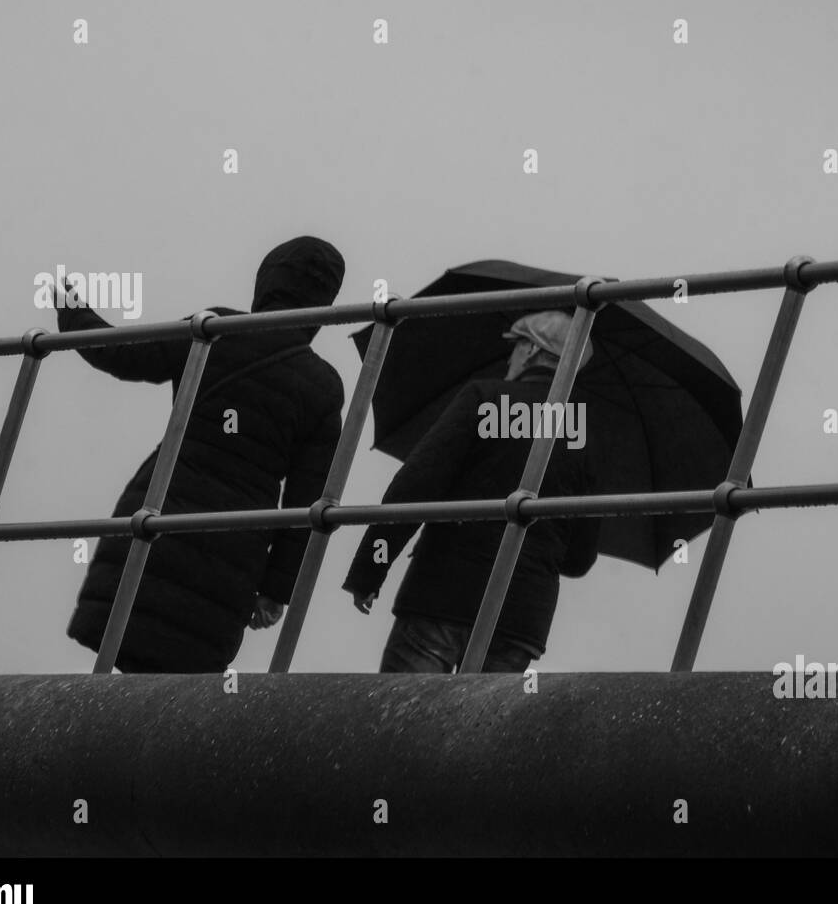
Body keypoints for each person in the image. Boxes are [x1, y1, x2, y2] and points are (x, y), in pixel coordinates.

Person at [56, 236, 346, 672]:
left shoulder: (214, 331)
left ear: (267, 282)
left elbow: (119, 353)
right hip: (234, 546)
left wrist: (71, 308)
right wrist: (276, 590)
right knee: (178, 699)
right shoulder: (323, 386)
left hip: (159, 514)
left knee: (120, 669)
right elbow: (309, 505)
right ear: (325, 303)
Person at [343, 310, 600, 673]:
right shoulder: (581, 434)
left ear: (529, 350)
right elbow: (579, 558)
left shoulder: (485, 398)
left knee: (404, 724)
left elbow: (414, 489)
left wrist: (371, 569)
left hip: (441, 597)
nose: (510, 357)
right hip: (521, 616)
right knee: (478, 729)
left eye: (514, 347)